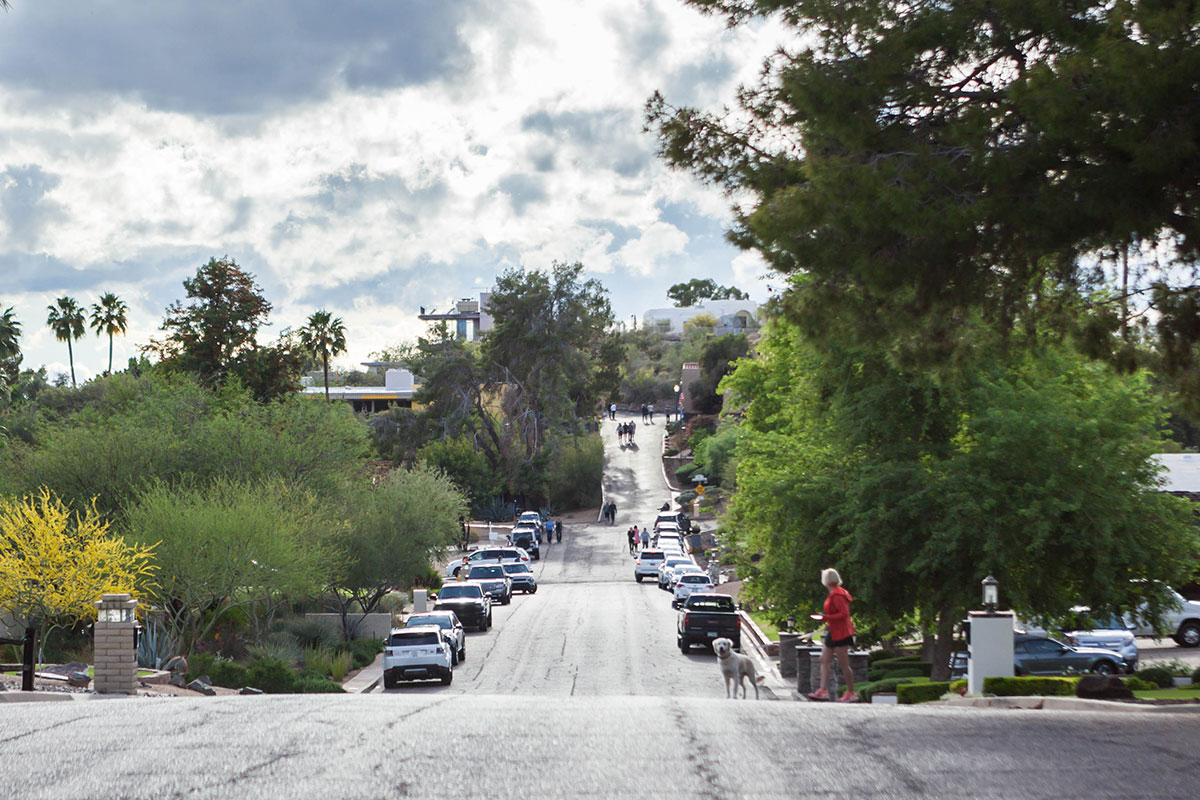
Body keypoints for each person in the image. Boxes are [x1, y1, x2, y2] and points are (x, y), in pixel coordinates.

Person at [807, 568, 858, 702]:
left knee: (843, 664)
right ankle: (823, 690)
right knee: (824, 659)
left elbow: (844, 614)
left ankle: (851, 692)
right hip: (834, 630)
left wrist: (826, 618)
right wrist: (828, 622)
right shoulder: (835, 593)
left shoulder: (838, 595)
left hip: (841, 633)